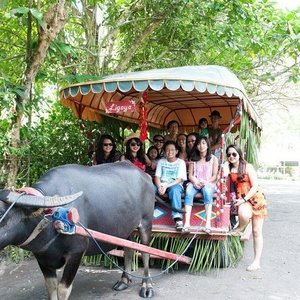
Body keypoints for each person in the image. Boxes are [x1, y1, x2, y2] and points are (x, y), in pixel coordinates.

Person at [224, 144, 267, 272]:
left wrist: (244, 199)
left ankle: (256, 261)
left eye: (234, 154)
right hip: (242, 200)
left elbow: (255, 186)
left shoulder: (248, 167)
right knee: (242, 214)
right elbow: (224, 178)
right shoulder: (230, 169)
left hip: (255, 198)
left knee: (256, 231)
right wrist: (225, 165)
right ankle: (240, 228)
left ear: (239, 154)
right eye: (229, 154)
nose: (231, 156)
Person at [183, 135, 218, 233]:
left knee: (207, 191)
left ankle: (208, 224)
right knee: (188, 191)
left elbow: (215, 176)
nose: (201, 146)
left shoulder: (213, 159)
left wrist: (206, 182)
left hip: (208, 182)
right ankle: (186, 223)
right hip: (195, 182)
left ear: (207, 145)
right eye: (198, 143)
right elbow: (190, 175)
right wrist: (196, 182)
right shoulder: (193, 159)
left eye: (203, 143)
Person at [154, 141, 187, 230]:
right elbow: (157, 176)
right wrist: (159, 187)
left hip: (175, 185)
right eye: (167, 150)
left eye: (172, 150)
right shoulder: (161, 161)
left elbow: (179, 179)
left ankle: (177, 218)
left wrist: (165, 186)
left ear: (176, 151)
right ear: (164, 152)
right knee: (150, 189)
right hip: (161, 185)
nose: (170, 152)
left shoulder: (181, 162)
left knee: (174, 190)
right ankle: (146, 213)